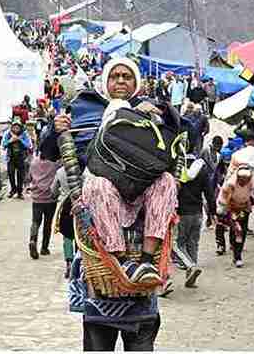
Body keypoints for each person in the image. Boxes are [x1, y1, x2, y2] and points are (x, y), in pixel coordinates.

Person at [48, 57, 176, 352]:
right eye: (115, 76)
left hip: (140, 208)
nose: (120, 81)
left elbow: (181, 136)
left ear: (136, 83)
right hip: (98, 220)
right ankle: (119, 262)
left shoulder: (149, 109)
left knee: (166, 182)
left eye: (127, 76)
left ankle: (144, 262)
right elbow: (48, 149)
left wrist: (156, 114)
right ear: (105, 82)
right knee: (99, 184)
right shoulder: (85, 110)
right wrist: (55, 128)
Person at [176, 141, 218, 288]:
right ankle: (190, 274)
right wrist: (212, 212)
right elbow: (209, 193)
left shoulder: (177, 168)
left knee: (177, 244)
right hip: (197, 213)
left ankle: (190, 266)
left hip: (180, 212)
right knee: (193, 243)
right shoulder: (202, 168)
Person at [217, 165, 254, 268]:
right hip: (232, 207)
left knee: (242, 231)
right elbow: (225, 200)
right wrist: (228, 210)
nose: (243, 182)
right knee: (237, 230)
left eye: (246, 179)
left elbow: (252, 194)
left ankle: (236, 249)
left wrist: (248, 204)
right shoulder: (230, 184)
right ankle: (237, 256)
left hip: (244, 207)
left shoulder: (253, 182)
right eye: (241, 179)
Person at [27, 140, 61, 259]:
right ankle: (44, 248)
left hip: (37, 198)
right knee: (47, 223)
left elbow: (29, 178)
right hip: (50, 199)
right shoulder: (55, 164)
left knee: (35, 221)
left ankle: (32, 240)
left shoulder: (34, 162)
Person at [2, 119, 33, 199]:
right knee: (11, 174)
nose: (16, 129)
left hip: (21, 158)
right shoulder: (8, 134)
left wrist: (19, 140)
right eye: (14, 127)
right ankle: (13, 189)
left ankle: (19, 191)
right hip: (11, 158)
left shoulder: (24, 134)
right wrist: (10, 141)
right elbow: (3, 145)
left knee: (20, 176)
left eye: (17, 127)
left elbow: (28, 145)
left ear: (20, 128)